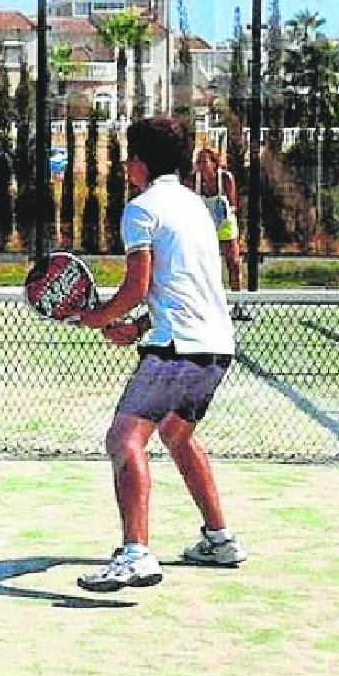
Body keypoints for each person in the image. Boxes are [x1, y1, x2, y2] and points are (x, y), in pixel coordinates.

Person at [74, 117, 247, 592]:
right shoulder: (196, 208)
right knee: (176, 435)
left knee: (124, 439)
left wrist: (97, 317)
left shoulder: (141, 209)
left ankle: (135, 554)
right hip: (216, 346)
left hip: (176, 350)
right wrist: (137, 326)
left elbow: (137, 286)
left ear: (138, 163)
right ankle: (219, 538)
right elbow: (187, 289)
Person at [191, 145, 247, 304]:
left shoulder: (226, 178)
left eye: (203, 161)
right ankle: (205, 303)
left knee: (234, 264)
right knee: (203, 267)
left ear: (214, 163)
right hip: (203, 229)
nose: (200, 165)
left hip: (225, 225)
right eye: (198, 161)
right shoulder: (193, 181)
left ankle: (238, 304)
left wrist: (222, 212)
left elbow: (233, 205)